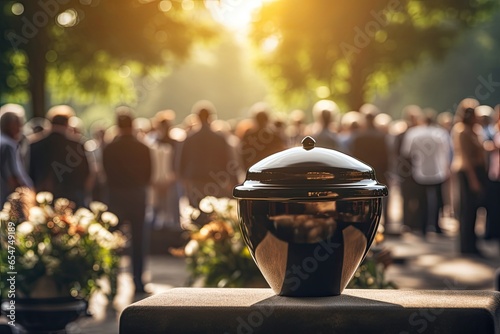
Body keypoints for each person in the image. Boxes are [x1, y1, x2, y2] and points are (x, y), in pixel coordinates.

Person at [103, 107, 152, 293]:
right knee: (139, 240)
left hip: (116, 196)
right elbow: (149, 174)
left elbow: (105, 173)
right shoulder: (143, 147)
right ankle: (138, 281)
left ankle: (112, 282)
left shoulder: (109, 148)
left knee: (113, 240)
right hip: (138, 195)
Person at [400, 109, 452, 237]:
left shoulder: (413, 133)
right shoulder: (441, 133)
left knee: (421, 199)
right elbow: (447, 152)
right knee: (438, 199)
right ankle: (436, 225)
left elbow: (406, 152)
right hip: (438, 170)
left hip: (419, 170)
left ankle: (422, 226)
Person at [178, 100, 237, 211]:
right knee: (215, 212)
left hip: (195, 179)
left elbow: (182, 160)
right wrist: (232, 180)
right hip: (216, 179)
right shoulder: (219, 138)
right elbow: (228, 160)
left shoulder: (190, 138)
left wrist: (183, 178)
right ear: (211, 117)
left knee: (197, 212)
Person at [29, 105, 90, 208]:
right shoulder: (77, 145)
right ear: (67, 123)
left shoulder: (34, 144)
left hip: (43, 199)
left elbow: (30, 172)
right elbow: (86, 173)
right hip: (72, 198)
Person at [450, 99, 487, 256]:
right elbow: (465, 157)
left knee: (474, 210)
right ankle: (466, 245)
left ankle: (472, 242)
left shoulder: (473, 130)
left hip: (475, 171)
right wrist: (473, 180)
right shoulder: (461, 131)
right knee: (467, 209)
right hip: (467, 172)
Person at [350, 104, 390, 226]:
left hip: (363, 174)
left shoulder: (358, 137)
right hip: (379, 172)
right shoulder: (382, 136)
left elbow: (354, 157)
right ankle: (385, 223)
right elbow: (386, 156)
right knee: (383, 198)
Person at [239, 102, 287, 170]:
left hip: (254, 170)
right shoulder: (275, 136)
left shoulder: (248, 136)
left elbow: (242, 156)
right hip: (271, 170)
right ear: (267, 119)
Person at [0, 112, 33, 206]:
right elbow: (14, 177)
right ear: (11, 125)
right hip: (7, 200)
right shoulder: (8, 145)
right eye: (19, 124)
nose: (21, 128)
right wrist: (28, 193)